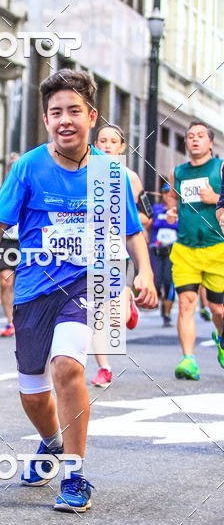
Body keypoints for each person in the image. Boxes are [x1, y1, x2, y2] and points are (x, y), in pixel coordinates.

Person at [0, 69, 156, 513]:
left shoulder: (109, 172)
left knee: (67, 367)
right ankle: (52, 443)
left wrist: (145, 272)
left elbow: (131, 230)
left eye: (74, 110)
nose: (65, 120)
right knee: (33, 394)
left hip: (87, 281)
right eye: (56, 112)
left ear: (91, 116)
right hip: (34, 289)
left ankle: (74, 475)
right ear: (46, 119)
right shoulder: (28, 166)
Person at [90, 123, 150, 387]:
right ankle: (104, 368)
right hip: (91, 253)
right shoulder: (86, 171)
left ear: (122, 147)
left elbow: (146, 215)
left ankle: (129, 306)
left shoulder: (130, 177)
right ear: (95, 145)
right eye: (102, 141)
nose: (107, 146)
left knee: (118, 318)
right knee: (96, 313)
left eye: (113, 142)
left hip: (119, 252)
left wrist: (124, 218)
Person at [166, 121, 224, 380]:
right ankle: (188, 359)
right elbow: (172, 197)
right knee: (186, 302)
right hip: (185, 248)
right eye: (190, 136)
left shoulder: (220, 168)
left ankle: (221, 337)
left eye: (200, 135)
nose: (194, 139)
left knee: (218, 309)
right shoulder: (178, 172)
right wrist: (171, 210)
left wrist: (215, 198)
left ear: (210, 142)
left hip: (217, 247)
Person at [0, 152, 20, 337]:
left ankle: (25, 320)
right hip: (6, 242)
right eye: (12, 167)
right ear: (8, 171)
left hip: (27, 242)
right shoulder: (0, 193)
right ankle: (11, 322)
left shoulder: (34, 189)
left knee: (24, 282)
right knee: (6, 281)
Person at [149, 183, 176, 327]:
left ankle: (167, 314)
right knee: (156, 281)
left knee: (169, 281)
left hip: (172, 252)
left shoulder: (180, 211)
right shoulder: (156, 209)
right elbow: (150, 223)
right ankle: (159, 303)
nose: (167, 196)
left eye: (170, 193)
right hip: (157, 250)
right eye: (165, 193)